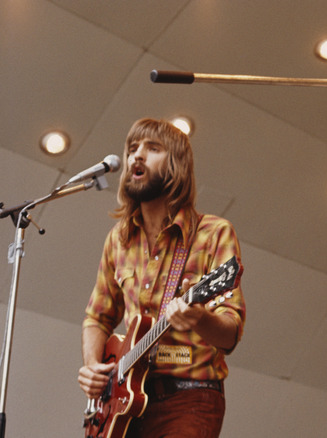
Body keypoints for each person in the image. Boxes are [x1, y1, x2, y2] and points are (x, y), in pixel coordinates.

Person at [77, 118, 246, 437]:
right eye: (132, 149)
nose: (136, 156)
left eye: (152, 148)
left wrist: (197, 317)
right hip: (122, 402)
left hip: (189, 398)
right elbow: (97, 318)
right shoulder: (119, 239)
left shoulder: (213, 233)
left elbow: (230, 335)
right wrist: (93, 368)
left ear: (177, 166)